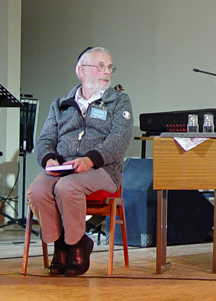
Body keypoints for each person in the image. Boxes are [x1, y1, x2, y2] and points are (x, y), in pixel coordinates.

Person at [28, 46, 133, 277]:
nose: (107, 72)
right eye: (100, 66)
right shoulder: (60, 104)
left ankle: (76, 244)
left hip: (102, 169)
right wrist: (49, 160)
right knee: (36, 190)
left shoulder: (119, 101)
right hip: (64, 167)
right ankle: (60, 246)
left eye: (109, 67)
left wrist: (90, 160)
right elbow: (44, 139)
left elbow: (120, 139)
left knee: (68, 187)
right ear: (81, 71)